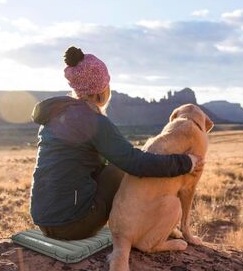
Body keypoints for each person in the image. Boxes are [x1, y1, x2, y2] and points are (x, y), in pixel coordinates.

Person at [29, 46, 204, 240]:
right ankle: (145, 225)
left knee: (113, 166)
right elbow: (134, 162)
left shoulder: (55, 115)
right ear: (101, 92)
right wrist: (186, 163)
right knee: (119, 170)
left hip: (43, 220)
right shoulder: (93, 122)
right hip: (74, 224)